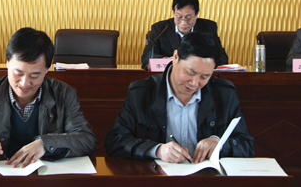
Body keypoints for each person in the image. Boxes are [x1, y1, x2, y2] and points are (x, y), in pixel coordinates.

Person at [0, 27, 96, 167]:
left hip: (45, 179)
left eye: (35, 75)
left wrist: (45, 144)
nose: (24, 83)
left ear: (47, 70)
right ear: (7, 63)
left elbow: (86, 139)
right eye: (18, 73)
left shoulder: (64, 93)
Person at [107, 32, 254, 162]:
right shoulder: (141, 93)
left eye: (205, 76)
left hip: (207, 178)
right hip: (157, 178)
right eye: (190, 73)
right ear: (175, 57)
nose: (195, 83)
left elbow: (246, 145)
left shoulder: (223, 94)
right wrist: (157, 150)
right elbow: (116, 142)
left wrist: (219, 143)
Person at [141, 0, 228, 69]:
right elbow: (146, 58)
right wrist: (169, 60)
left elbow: (223, 58)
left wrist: (194, 60)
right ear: (173, 12)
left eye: (188, 18)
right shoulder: (160, 29)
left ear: (197, 14)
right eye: (179, 17)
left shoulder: (208, 28)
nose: (183, 22)